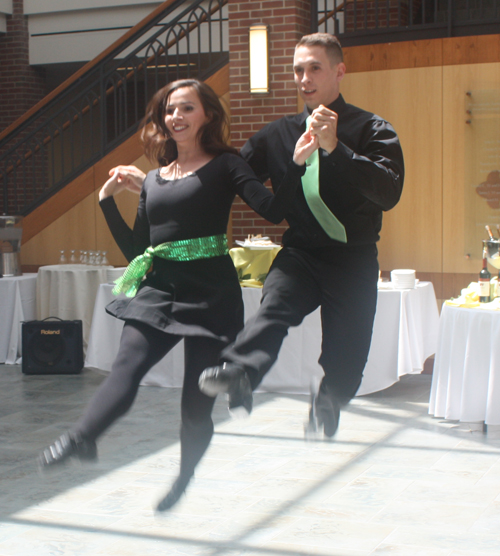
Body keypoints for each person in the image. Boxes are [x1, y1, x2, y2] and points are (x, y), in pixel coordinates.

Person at [38, 78, 316, 510]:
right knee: (126, 368)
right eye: (170, 110)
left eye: (187, 108)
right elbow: (137, 249)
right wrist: (106, 201)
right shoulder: (152, 180)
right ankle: (82, 438)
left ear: (207, 115)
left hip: (210, 294)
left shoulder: (226, 166)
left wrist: (298, 165)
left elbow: (274, 211)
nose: (176, 117)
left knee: (194, 405)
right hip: (158, 289)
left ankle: (184, 478)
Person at [199, 33, 405, 438]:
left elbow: (389, 191)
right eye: (298, 69)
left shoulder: (371, 128)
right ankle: (239, 372)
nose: (304, 77)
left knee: (347, 359)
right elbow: (233, 175)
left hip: (353, 257)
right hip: (301, 253)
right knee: (274, 307)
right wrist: (178, 178)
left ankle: (330, 401)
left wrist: (336, 148)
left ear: (339, 72)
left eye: (314, 68)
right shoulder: (276, 134)